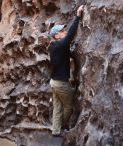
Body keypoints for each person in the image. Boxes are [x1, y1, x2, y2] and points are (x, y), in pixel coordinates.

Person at [49, 5, 84, 137]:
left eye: (64, 30)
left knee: (57, 108)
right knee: (69, 106)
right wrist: (78, 16)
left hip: (54, 82)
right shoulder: (61, 44)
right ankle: (63, 125)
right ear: (57, 36)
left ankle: (55, 131)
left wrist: (72, 52)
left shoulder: (55, 47)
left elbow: (66, 54)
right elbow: (70, 35)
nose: (64, 31)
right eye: (62, 31)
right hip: (61, 83)